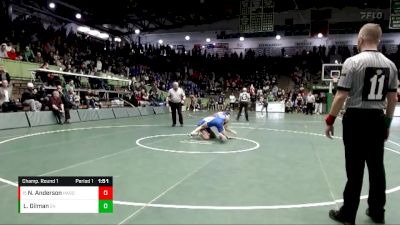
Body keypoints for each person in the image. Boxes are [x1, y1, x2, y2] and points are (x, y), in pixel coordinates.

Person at [325, 23, 398, 225]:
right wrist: (387, 123)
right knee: (377, 168)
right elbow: (392, 99)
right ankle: (377, 211)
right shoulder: (390, 65)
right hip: (377, 119)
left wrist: (330, 119)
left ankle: (348, 214)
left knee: (354, 170)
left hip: (355, 119)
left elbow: (340, 96)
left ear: (361, 38)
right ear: (378, 39)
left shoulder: (352, 62)